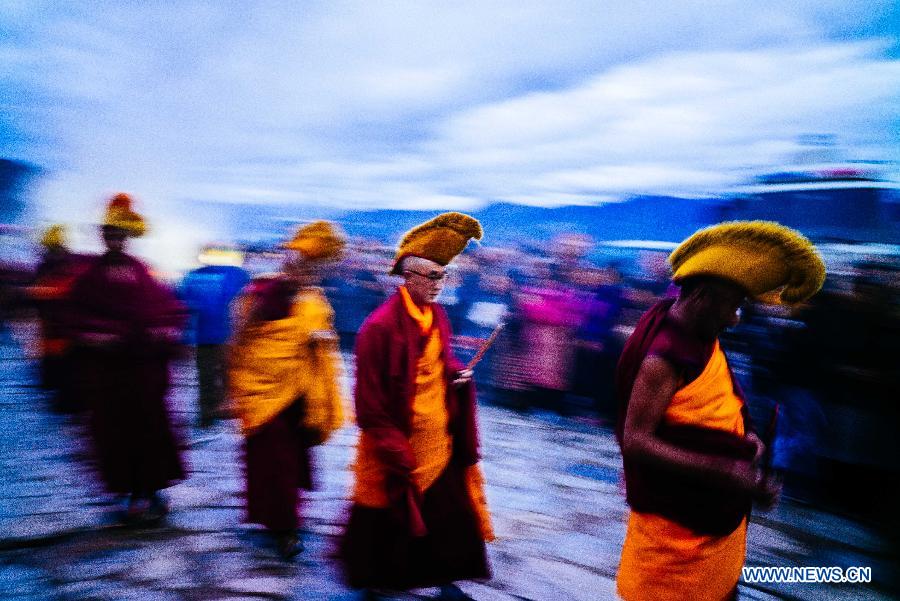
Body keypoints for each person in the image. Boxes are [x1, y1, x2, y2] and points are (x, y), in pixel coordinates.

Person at [615, 221, 825, 601]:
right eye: (733, 305)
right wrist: (724, 469)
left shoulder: (701, 340)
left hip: (712, 513)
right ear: (703, 296)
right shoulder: (663, 356)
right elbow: (635, 441)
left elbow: (716, 403)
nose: (734, 318)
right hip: (676, 525)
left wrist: (747, 439)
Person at [342, 212, 494, 601]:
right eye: (431, 276)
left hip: (437, 436)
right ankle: (376, 580)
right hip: (397, 439)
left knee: (447, 512)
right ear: (406, 277)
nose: (439, 285)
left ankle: (447, 580)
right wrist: (394, 446)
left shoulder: (436, 315)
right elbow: (369, 402)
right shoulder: (379, 328)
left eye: (444, 277)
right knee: (386, 512)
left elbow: (439, 362)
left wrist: (455, 376)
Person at [64, 193, 186, 521]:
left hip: (144, 371)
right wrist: (91, 336)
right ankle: (127, 492)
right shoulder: (89, 276)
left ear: (128, 237)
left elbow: (168, 308)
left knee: (151, 430)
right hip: (110, 373)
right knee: (116, 433)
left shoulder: (142, 271)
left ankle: (151, 490)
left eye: (120, 234)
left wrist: (167, 330)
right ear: (103, 236)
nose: (116, 239)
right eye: (110, 234)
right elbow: (73, 316)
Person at [228, 221, 346, 559]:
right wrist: (233, 380)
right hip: (266, 386)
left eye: (314, 267)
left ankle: (286, 520)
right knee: (272, 460)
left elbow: (322, 334)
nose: (306, 271)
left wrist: (320, 341)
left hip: (300, 392)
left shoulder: (315, 299)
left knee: (292, 460)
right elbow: (243, 337)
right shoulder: (263, 292)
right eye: (302, 263)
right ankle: (282, 526)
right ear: (289, 260)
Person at [180, 246, 249, 427]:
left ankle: (207, 416)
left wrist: (186, 338)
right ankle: (228, 411)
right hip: (231, 336)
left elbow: (183, 306)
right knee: (230, 375)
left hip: (204, 336)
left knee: (206, 377)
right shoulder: (239, 275)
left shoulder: (193, 276)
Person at [29, 224, 90, 412]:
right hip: (54, 332)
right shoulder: (48, 267)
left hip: (63, 333)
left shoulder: (64, 267)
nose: (52, 252)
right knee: (57, 373)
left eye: (54, 248)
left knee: (63, 374)